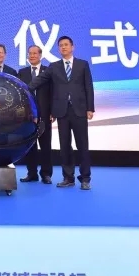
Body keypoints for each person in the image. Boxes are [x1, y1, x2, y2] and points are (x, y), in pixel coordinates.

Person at [28, 36, 94, 190]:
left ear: (72, 47)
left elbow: (88, 87)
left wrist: (90, 108)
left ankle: (85, 178)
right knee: (65, 146)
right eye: (61, 45)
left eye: (66, 45)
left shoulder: (83, 64)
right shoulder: (54, 66)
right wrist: (24, 88)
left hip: (79, 110)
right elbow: (40, 80)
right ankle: (68, 177)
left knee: (82, 145)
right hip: (61, 111)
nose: (63, 47)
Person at [17, 45, 53, 184]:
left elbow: (53, 92)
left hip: (45, 114)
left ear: (40, 55)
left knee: (45, 145)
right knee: (30, 146)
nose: (32, 56)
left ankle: (46, 174)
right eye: (30, 53)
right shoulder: (22, 72)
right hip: (28, 115)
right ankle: (31, 173)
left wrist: (53, 112)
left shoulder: (48, 71)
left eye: (34, 53)